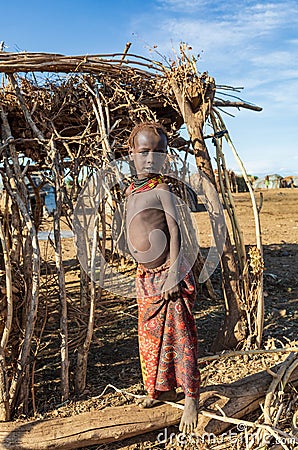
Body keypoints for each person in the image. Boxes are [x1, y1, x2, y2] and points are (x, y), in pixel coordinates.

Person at [125, 122, 200, 434]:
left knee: (180, 337)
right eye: (144, 151)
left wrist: (172, 274)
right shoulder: (132, 191)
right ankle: (161, 390)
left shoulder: (162, 189)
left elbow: (174, 230)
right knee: (151, 338)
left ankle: (192, 398)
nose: (151, 158)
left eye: (159, 152)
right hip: (146, 277)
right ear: (131, 155)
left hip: (167, 275)